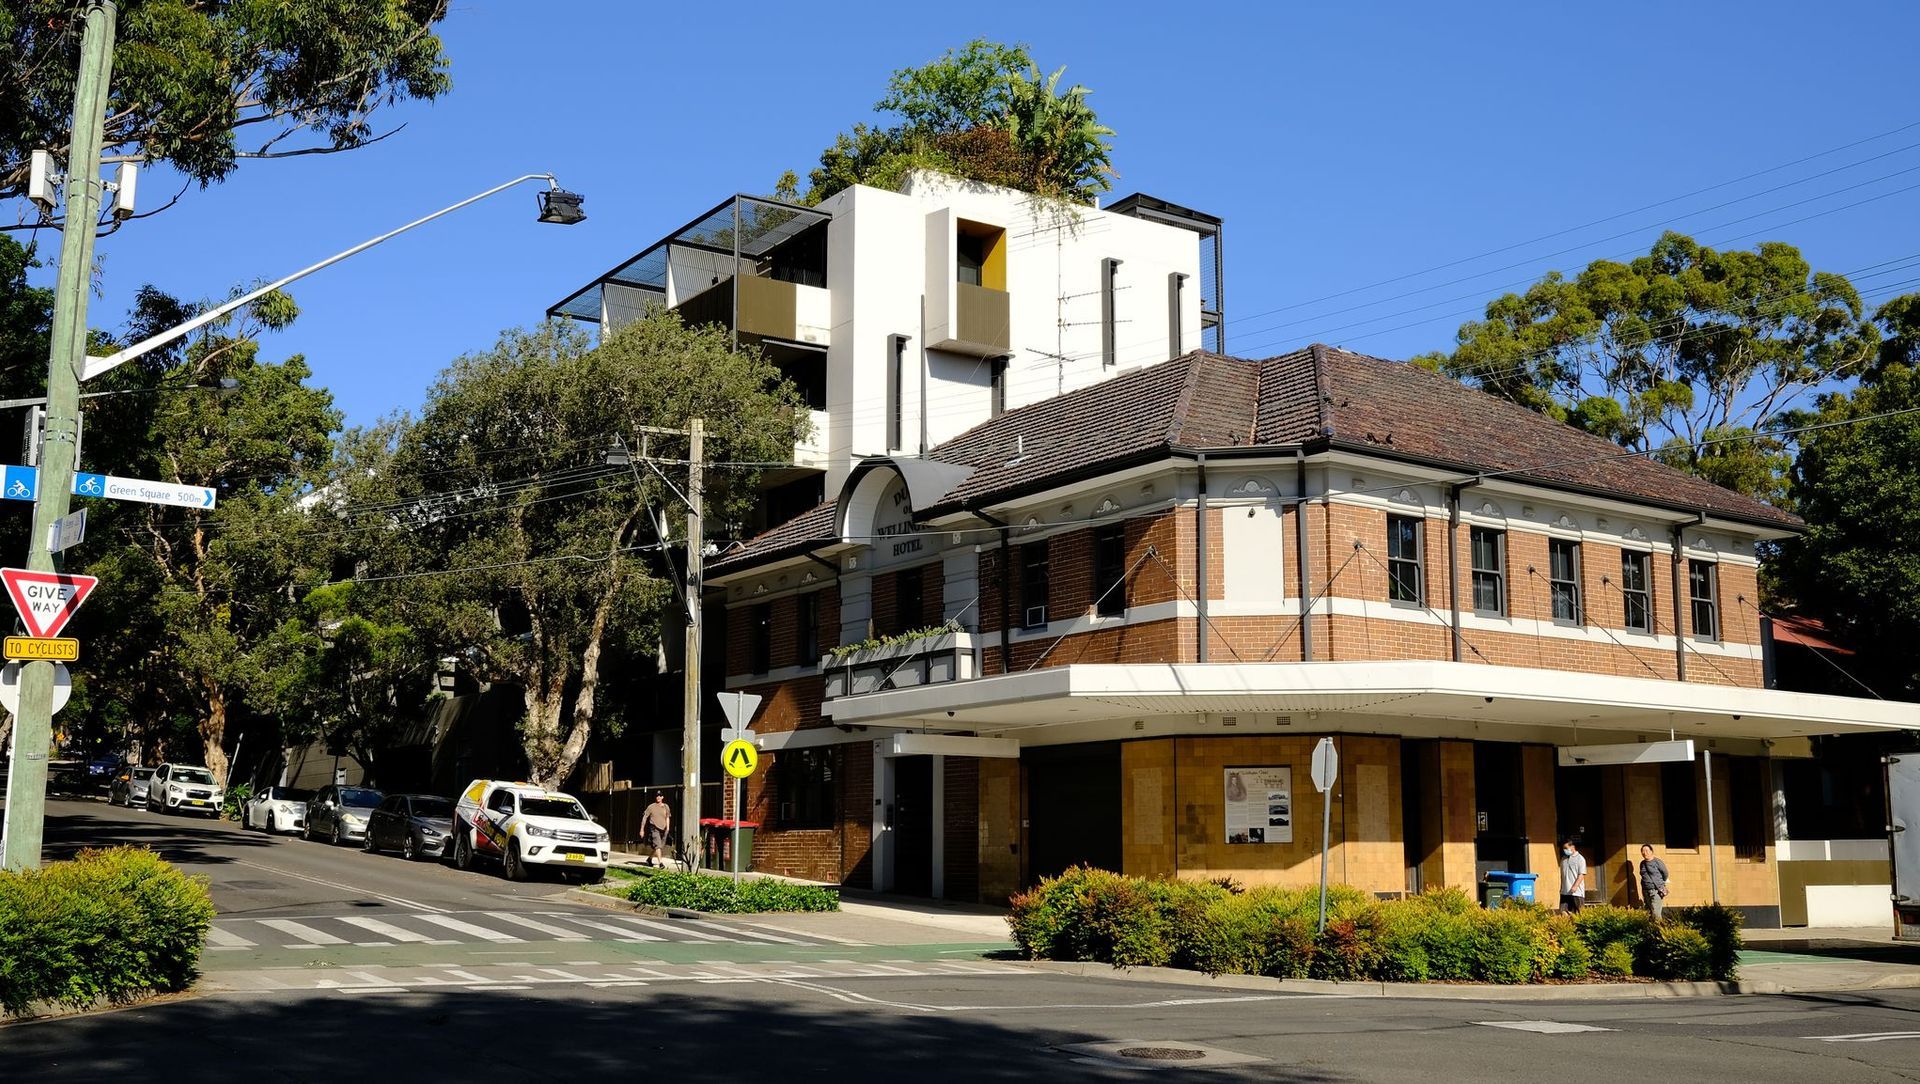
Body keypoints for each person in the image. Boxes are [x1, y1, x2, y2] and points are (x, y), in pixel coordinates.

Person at [1638, 844, 1670, 921]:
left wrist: (1660, 882)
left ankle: (1659, 929)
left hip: (1656, 890)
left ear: (1651, 851)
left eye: (1646, 850)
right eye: (1643, 851)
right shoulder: (1642, 863)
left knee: (1656, 912)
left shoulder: (1657, 862)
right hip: (1645, 891)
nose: (1644, 853)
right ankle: (1650, 929)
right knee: (1649, 911)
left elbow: (1665, 873)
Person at [642, 793, 673, 867]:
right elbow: (645, 817)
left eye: (660, 796)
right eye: (657, 796)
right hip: (654, 828)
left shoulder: (666, 806)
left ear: (662, 797)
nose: (658, 797)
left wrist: (668, 828)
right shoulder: (651, 806)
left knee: (658, 846)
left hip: (663, 829)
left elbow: (667, 817)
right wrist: (642, 829)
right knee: (658, 845)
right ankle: (661, 863)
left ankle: (649, 859)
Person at [1559, 838, 1587, 913]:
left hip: (1576, 892)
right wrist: (1561, 888)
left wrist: (1575, 886)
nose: (1564, 850)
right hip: (1564, 891)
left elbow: (1581, 874)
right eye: (1563, 848)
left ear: (1572, 847)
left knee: (1578, 913)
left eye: (1566, 848)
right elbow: (1562, 875)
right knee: (1563, 913)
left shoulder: (1580, 859)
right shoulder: (1563, 859)